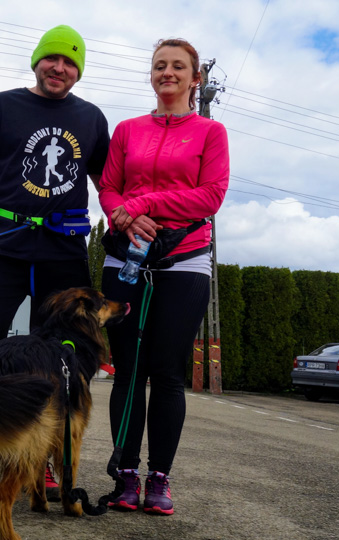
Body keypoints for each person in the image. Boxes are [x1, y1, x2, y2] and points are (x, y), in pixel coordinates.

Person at [0, 25, 111, 498]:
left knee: (63, 358)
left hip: (63, 251)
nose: (60, 68)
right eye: (52, 58)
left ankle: (46, 459)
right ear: (37, 61)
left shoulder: (92, 118)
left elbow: (104, 182)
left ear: (79, 71)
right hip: (5, 242)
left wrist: (125, 220)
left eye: (71, 62)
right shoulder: (2, 105)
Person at [97, 38, 229, 515]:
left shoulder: (211, 134)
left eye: (178, 67)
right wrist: (125, 217)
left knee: (168, 373)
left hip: (184, 262)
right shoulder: (127, 130)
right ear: (151, 75)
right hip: (126, 261)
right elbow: (109, 189)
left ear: (196, 78)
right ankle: (126, 475)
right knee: (127, 371)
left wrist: (146, 205)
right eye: (159, 66)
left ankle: (160, 480)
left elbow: (211, 196)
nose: (167, 73)